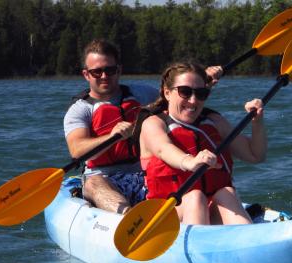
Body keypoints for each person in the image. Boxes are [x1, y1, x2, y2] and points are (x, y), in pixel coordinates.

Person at [63, 39, 222, 215]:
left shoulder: (142, 93)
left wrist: (202, 81)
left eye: (110, 70)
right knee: (93, 183)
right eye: (97, 72)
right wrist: (111, 136)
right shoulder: (80, 109)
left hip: (145, 176)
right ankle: (132, 220)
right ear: (86, 74)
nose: (104, 76)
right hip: (104, 178)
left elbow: (177, 98)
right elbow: (77, 150)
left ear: (119, 69)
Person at [139, 62, 267, 225]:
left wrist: (257, 122)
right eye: (185, 92)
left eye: (200, 94)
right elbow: (163, 149)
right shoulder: (154, 123)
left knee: (226, 192)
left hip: (209, 210)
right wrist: (189, 161)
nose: (193, 101)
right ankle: (195, 245)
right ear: (167, 93)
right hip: (166, 214)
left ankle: (248, 239)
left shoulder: (214, 122)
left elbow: (255, 155)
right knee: (194, 196)